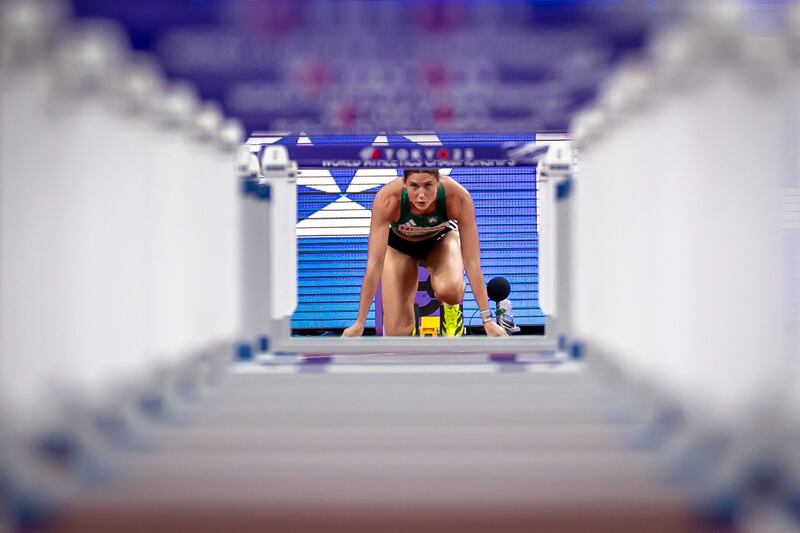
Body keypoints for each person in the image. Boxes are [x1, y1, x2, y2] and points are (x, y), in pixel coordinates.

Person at [341, 168, 508, 337]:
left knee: (450, 290)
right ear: (404, 184)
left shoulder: (458, 197)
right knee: (398, 331)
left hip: (439, 241)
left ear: (438, 182)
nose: (422, 195)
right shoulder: (388, 199)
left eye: (428, 186)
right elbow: (375, 264)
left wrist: (487, 321)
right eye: (414, 186)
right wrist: (360, 323)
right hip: (400, 246)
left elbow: (472, 262)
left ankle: (452, 309)